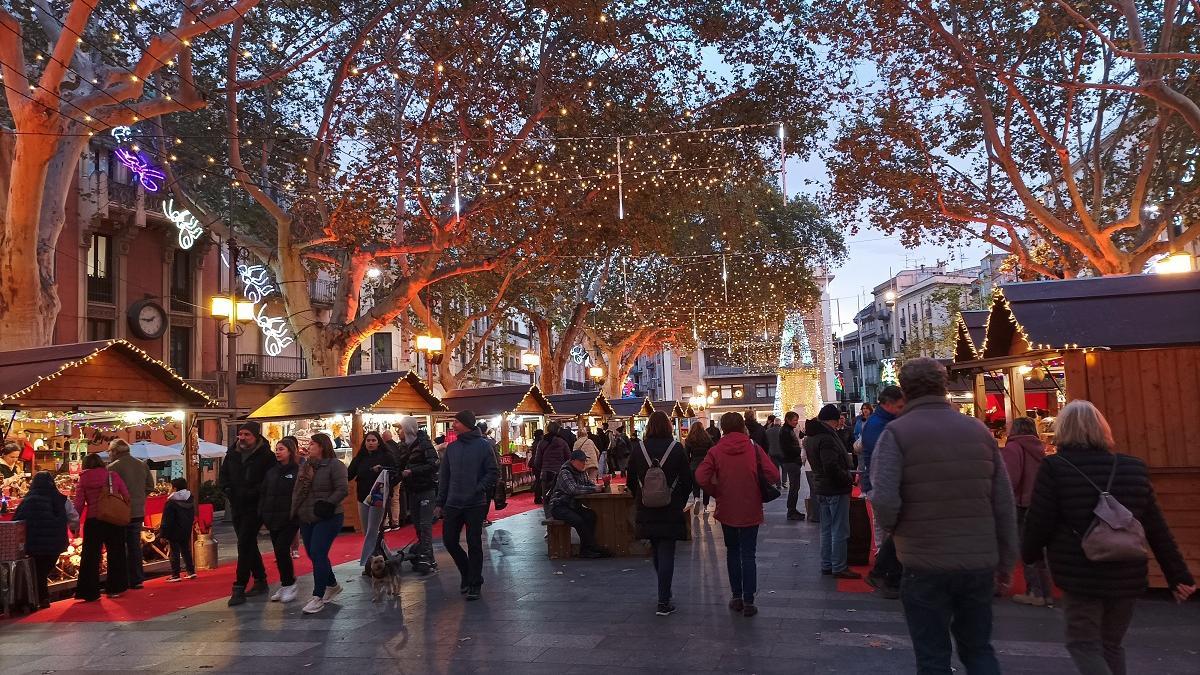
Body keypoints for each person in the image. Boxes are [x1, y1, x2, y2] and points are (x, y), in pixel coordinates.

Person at [1022, 400, 1195, 675]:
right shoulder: (1133, 467)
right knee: (1111, 645)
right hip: (1127, 570)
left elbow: (1039, 521)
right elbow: (1156, 527)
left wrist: (1028, 555)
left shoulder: (1056, 468)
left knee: (1083, 644)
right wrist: (1178, 575)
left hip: (1080, 572)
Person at [870, 357, 1018, 675]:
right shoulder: (978, 432)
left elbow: (883, 498)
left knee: (933, 656)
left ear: (905, 392)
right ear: (943, 387)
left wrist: (898, 531)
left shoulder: (896, 434)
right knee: (979, 649)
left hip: (924, 561)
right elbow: (1003, 502)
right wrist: (1007, 559)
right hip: (978, 561)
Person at [696, 411, 780, 618]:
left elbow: (701, 476)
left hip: (727, 508)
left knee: (732, 552)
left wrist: (716, 491)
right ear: (742, 425)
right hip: (751, 507)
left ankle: (736, 596)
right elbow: (774, 474)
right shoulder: (754, 448)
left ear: (723, 428)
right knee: (748, 554)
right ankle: (750, 600)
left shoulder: (716, 450)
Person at [627, 411, 692, 615]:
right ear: (668, 426)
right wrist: (679, 499)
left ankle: (664, 591)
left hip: (646, 507)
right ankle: (664, 600)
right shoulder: (676, 449)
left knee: (656, 548)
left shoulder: (639, 449)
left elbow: (630, 480)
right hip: (670, 507)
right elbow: (688, 479)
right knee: (666, 551)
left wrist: (641, 496)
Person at [435, 410, 499, 600]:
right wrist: (440, 502)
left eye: (456, 422)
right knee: (449, 540)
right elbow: (444, 476)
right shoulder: (452, 448)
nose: (453, 425)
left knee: (474, 542)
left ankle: (475, 583)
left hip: (475, 503)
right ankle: (466, 572)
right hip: (453, 503)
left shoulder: (483, 446)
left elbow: (493, 472)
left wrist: (479, 488)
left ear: (466, 424)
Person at [219, 421, 275, 607]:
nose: (242, 438)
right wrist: (227, 489)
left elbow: (269, 480)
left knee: (244, 543)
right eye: (240, 434)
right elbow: (224, 474)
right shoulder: (232, 453)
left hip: (255, 506)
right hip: (237, 504)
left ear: (255, 436)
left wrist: (253, 492)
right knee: (248, 543)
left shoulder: (266, 456)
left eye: (246, 435)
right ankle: (260, 579)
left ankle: (239, 586)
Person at [292, 432, 349, 614]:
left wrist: (328, 503)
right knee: (313, 553)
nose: (309, 447)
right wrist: (295, 511)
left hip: (328, 516)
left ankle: (318, 596)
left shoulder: (335, 465)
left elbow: (342, 489)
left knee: (318, 551)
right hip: (307, 516)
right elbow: (298, 491)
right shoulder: (306, 466)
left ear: (322, 446)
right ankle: (332, 584)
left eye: (312, 444)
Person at [999, 416, 1052, 607]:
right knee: (1038, 550)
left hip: (1021, 503)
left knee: (1026, 548)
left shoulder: (1014, 448)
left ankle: (1034, 591)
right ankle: (1045, 592)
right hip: (1038, 502)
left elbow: (1009, 478)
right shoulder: (1038, 447)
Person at [806, 404, 859, 579]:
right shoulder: (826, 437)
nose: (838, 425)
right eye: (837, 421)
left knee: (827, 529)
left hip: (822, 487)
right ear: (833, 420)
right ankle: (838, 566)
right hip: (834, 488)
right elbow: (830, 465)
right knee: (839, 529)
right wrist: (847, 478)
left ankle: (827, 563)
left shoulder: (813, 436)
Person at [862, 386, 906, 598]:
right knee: (890, 530)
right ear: (888, 404)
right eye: (899, 405)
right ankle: (885, 573)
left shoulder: (881, 423)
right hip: (881, 485)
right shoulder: (881, 426)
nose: (902, 409)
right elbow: (883, 458)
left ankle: (885, 572)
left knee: (891, 531)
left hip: (879, 484)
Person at [73, 452, 130, 601]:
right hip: (112, 519)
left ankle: (89, 592)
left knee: (90, 556)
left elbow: (78, 503)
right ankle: (115, 588)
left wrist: (75, 522)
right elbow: (126, 495)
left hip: (93, 520)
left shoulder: (83, 479)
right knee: (115, 553)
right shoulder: (112, 476)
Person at [14, 471, 75, 609]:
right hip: (56, 543)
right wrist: (74, 529)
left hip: (33, 543)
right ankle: (41, 598)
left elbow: (16, 521)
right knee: (43, 570)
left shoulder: (27, 500)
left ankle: (37, 599)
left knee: (37, 570)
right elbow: (73, 517)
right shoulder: (61, 499)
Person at [105, 439, 154, 590]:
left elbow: (108, 490)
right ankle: (137, 579)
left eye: (110, 452)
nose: (109, 455)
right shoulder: (141, 464)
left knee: (120, 546)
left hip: (120, 512)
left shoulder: (112, 468)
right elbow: (150, 486)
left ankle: (122, 579)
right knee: (134, 546)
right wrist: (140, 497)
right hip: (138, 511)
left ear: (115, 452)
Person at [547, 449, 613, 560]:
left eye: (584, 461)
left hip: (572, 505)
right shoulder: (565, 472)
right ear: (573, 461)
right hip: (559, 505)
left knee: (590, 515)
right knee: (578, 520)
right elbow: (573, 490)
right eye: (581, 461)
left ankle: (587, 548)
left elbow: (589, 484)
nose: (584, 464)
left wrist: (597, 487)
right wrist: (593, 489)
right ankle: (591, 547)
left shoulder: (581, 472)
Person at [396, 416, 439, 573]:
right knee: (418, 525)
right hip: (412, 490)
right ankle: (428, 557)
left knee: (425, 525)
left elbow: (433, 464)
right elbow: (399, 465)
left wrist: (412, 471)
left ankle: (426, 557)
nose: (398, 431)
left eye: (400, 428)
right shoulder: (403, 447)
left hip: (426, 489)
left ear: (407, 429)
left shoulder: (424, 444)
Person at [260, 437, 300, 601]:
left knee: (283, 549)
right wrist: (263, 513)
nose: (277, 452)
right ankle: (285, 584)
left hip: (289, 517)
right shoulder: (272, 472)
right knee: (278, 551)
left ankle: (290, 583)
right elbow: (265, 493)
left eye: (281, 449)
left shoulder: (297, 471)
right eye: (277, 449)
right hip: (272, 517)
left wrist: (295, 513)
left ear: (290, 451)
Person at [348, 430, 396, 570]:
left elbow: (395, 472)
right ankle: (387, 555)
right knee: (367, 531)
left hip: (378, 496)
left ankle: (367, 563)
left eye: (373, 440)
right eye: (368, 440)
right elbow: (349, 474)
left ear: (379, 442)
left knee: (372, 530)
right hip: (362, 496)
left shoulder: (386, 456)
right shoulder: (360, 457)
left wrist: (382, 471)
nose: (370, 443)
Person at [160, 477, 196, 582]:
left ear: (174, 488)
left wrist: (163, 534)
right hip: (186, 529)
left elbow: (166, 520)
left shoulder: (171, 503)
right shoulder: (190, 499)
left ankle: (175, 575)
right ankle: (191, 571)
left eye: (171, 486)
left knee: (174, 552)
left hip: (174, 531)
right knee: (186, 550)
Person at [532, 421, 570, 513]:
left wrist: (542, 469)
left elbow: (537, 461)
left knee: (546, 497)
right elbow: (568, 458)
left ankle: (549, 518)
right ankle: (560, 517)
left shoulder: (542, 443)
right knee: (560, 496)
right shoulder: (562, 442)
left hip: (546, 473)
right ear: (558, 430)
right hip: (559, 473)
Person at [779, 411, 807, 521]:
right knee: (794, 487)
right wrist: (797, 450)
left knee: (795, 487)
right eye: (795, 420)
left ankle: (792, 509)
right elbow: (788, 448)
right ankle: (791, 511)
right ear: (788, 420)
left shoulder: (788, 430)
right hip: (791, 462)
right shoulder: (786, 431)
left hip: (792, 461)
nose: (796, 422)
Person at [684, 421, 714, 515]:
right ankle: (705, 507)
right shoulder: (707, 439)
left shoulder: (689, 440)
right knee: (706, 486)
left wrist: (689, 464)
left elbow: (686, 454)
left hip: (693, 465)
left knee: (695, 485)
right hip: (705, 465)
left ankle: (696, 498)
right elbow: (712, 451)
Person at [764, 414, 785, 487]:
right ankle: (784, 482)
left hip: (772, 452)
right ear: (779, 423)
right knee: (784, 468)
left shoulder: (768, 431)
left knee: (776, 468)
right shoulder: (783, 431)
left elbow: (766, 442)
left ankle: (778, 483)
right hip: (782, 452)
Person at [530, 428, 545, 504]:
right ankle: (538, 497)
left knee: (537, 480)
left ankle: (537, 497)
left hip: (534, 464)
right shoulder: (540, 443)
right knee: (539, 481)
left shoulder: (534, 443)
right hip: (538, 464)